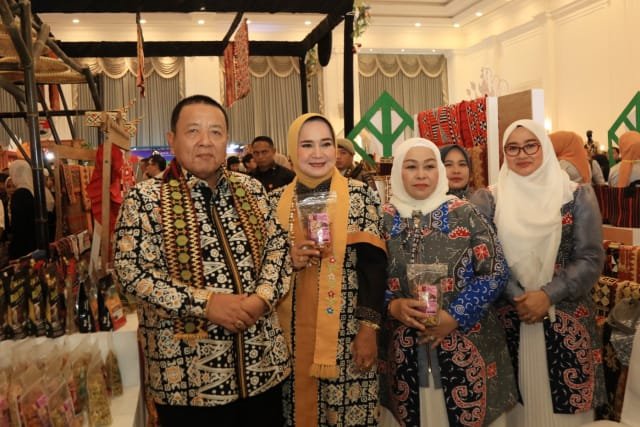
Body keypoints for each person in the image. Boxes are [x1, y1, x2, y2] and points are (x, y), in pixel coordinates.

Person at [113, 95, 292, 426]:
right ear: (172, 139)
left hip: (263, 369)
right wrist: (206, 304)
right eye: (193, 131)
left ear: (226, 140)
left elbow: (278, 249)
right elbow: (132, 273)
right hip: (188, 383)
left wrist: (262, 298)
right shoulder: (145, 199)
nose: (206, 141)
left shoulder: (252, 190)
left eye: (216, 132)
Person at [470, 119, 606, 427]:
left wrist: (547, 296)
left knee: (568, 414)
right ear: (504, 153)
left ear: (545, 147)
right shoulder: (488, 199)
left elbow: (590, 258)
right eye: (513, 148)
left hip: (566, 319)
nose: (522, 154)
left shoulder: (576, 195)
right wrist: (520, 298)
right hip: (509, 319)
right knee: (515, 411)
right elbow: (484, 259)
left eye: (530, 145)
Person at [379, 138, 517, 427]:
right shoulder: (383, 219)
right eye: (411, 167)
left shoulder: (465, 213)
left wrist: (455, 316)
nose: (421, 175)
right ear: (398, 172)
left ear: (439, 171)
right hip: (403, 353)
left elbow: (495, 271)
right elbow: (367, 276)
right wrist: (392, 306)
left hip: (468, 346)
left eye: (429, 166)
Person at [274, 113, 387, 426]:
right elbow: (261, 269)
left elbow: (373, 268)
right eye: (306, 145)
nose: (317, 153)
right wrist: (287, 260)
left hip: (347, 336)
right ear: (292, 150)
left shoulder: (360, 196)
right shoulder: (273, 202)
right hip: (288, 339)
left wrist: (368, 330)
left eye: (325, 144)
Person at [7, 160, 36, 259]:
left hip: (23, 246)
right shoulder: (33, 191)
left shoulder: (19, 194)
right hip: (35, 242)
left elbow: (18, 225)